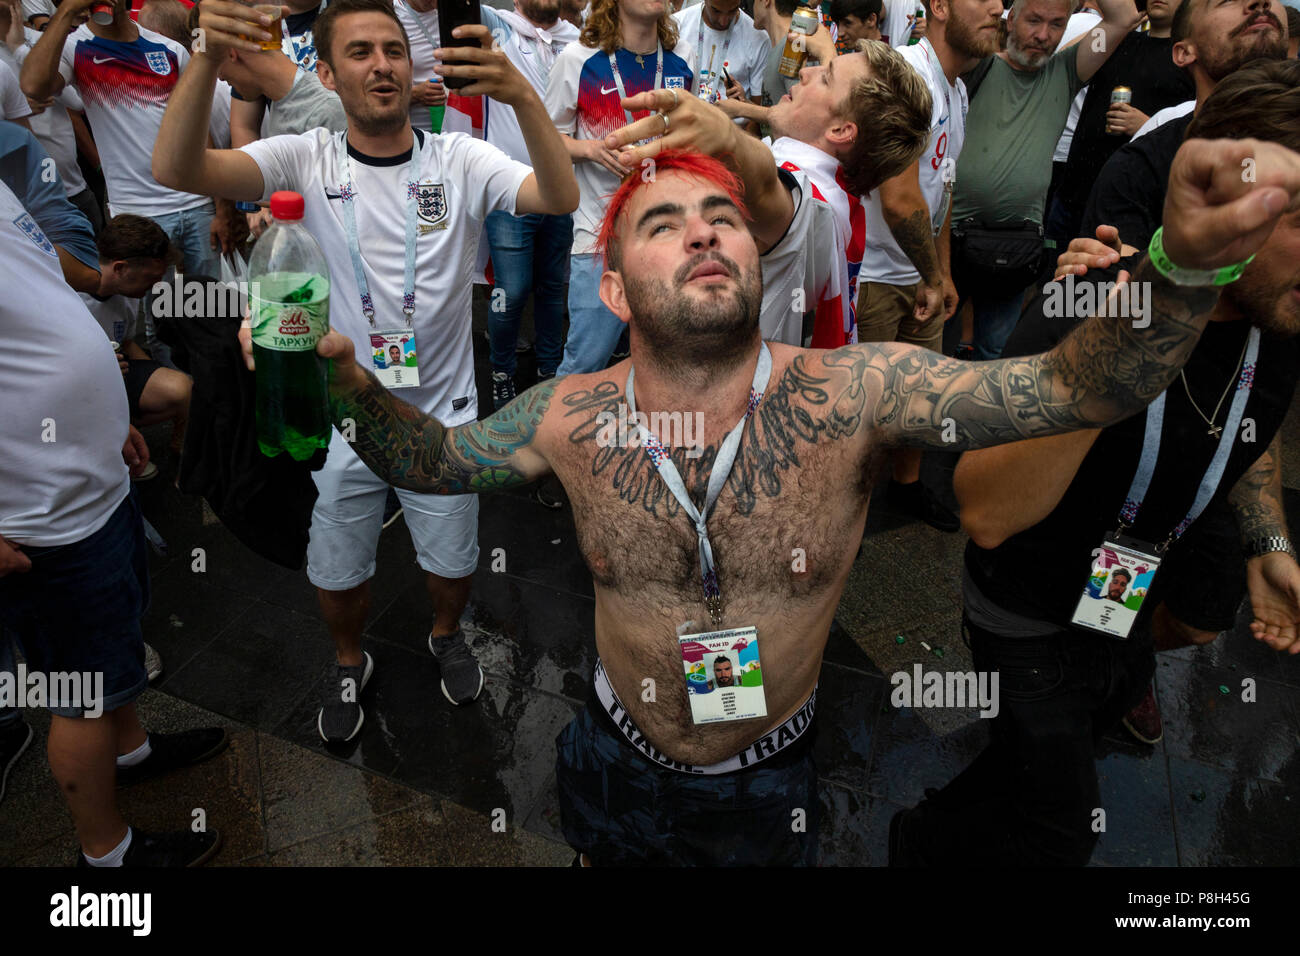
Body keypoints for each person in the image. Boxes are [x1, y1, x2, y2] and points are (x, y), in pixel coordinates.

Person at [308, 96, 1300, 862]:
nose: (701, 232)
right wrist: (350, 387)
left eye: (721, 217)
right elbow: (431, 460)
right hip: (610, 752)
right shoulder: (564, 415)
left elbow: (1069, 389)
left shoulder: (860, 390)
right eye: (662, 223)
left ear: (757, 251)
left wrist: (1181, 271)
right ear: (612, 284)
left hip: (766, 773)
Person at [892, 60, 1300, 868]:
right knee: (1060, 832)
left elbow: (1248, 418)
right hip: (1027, 611)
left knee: (1036, 759)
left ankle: (932, 829)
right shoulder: (1096, 295)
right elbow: (984, 511)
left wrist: (1269, 542)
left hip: (1120, 607)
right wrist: (1117, 342)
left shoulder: (1277, 314)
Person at [153, 0, 578, 740]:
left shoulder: (460, 158)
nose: (381, 64)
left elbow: (560, 194)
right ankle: (349, 661)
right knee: (338, 567)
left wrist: (521, 96)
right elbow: (176, 167)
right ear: (324, 71)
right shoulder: (305, 157)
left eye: (392, 50)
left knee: (451, 561)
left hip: (442, 423)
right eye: (359, 52)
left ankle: (445, 635)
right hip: (341, 417)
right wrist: (202, 59)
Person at [0, 177, 229, 867]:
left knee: (116, 637)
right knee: (79, 693)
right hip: (41, 520)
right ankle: (107, 854)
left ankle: (131, 751)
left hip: (90, 480)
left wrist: (104, 418)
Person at [857, 0, 1004, 531]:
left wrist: (943, 274)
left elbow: (941, 186)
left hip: (918, 276)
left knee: (920, 397)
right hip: (871, 276)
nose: (999, 8)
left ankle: (908, 488)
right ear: (939, 6)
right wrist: (933, 275)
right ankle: (838, 515)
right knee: (861, 410)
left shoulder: (957, 88)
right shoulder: (905, 75)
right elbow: (899, 199)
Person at [948, 0, 1137, 361]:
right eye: (1033, 20)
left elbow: (1124, 16)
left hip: (1015, 247)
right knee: (935, 345)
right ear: (1011, 19)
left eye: (1055, 24)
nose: (1042, 35)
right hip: (952, 238)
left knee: (998, 352)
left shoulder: (1065, 73)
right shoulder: (977, 65)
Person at [545, 0, 694, 378]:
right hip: (600, 234)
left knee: (666, 357)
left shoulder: (683, 57)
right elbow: (547, 141)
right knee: (586, 362)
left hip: (667, 232)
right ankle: (554, 433)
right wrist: (589, 149)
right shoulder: (578, 59)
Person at [473, 0, 579, 409]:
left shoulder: (576, 43)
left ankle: (549, 373)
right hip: (510, 190)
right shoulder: (497, 27)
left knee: (554, 288)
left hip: (561, 189)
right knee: (512, 291)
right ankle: (501, 374)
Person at [1047, 0, 1194, 247]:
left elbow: (1195, 123)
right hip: (1073, 192)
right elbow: (1058, 63)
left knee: (1098, 282)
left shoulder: (1188, 57)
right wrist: (1120, 25)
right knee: (1054, 277)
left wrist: (1148, 125)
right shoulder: (1119, 40)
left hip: (1125, 204)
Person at [80, 215, 192, 452]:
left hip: (115, 372)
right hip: (74, 383)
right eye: (151, 278)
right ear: (120, 268)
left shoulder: (128, 293)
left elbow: (128, 343)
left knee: (181, 389)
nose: (155, 286)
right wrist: (99, 367)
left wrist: (157, 375)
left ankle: (182, 449)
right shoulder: (72, 296)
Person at [672, 0, 768, 112]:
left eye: (732, 10)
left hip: (733, 126)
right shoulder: (676, 26)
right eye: (716, 11)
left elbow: (757, 110)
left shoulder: (758, 38)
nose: (723, 21)